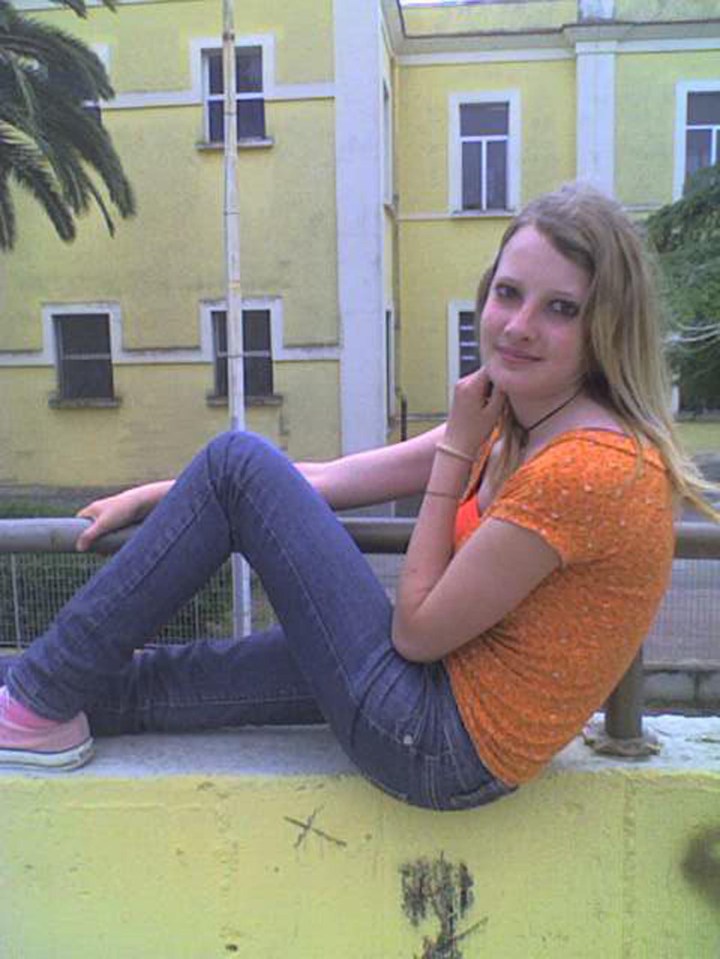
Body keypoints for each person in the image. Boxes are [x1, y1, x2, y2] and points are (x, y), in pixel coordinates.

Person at [0, 183, 716, 810]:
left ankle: (31, 702)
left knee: (237, 458)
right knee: (175, 677)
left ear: (606, 327)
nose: (520, 324)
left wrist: (458, 447)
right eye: (508, 292)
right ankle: (36, 703)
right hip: (426, 691)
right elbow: (330, 479)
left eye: (561, 307)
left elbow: (418, 628)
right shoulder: (525, 413)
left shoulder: (585, 465)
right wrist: (160, 496)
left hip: (438, 743)